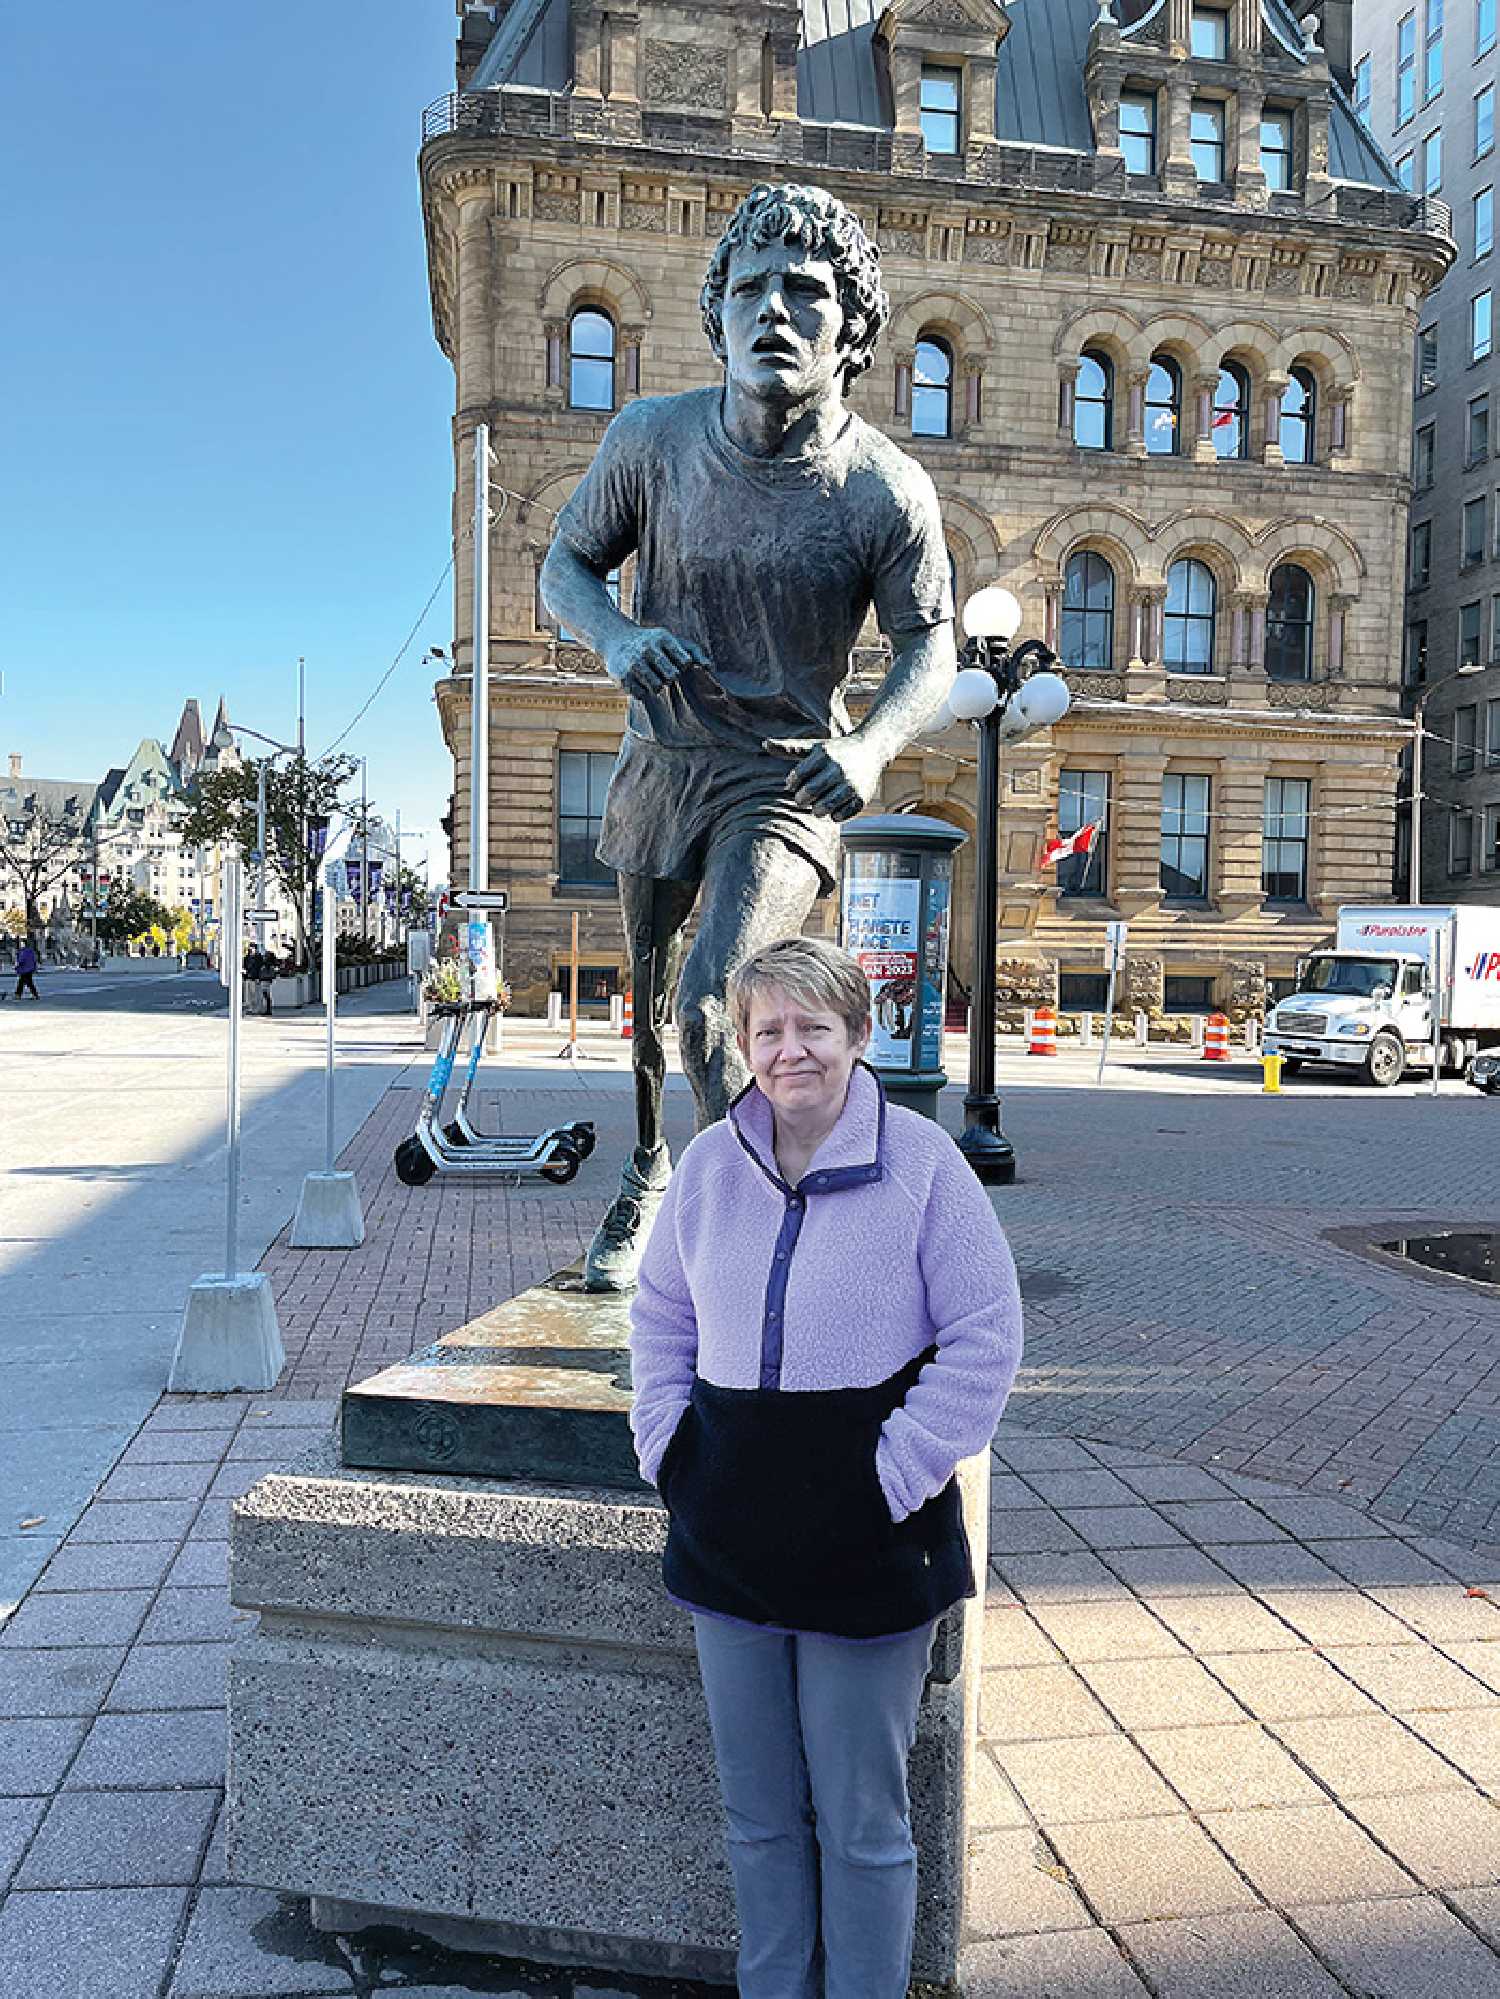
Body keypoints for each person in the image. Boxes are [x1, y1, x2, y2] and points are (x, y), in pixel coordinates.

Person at [541, 183, 955, 1291]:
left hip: (781, 781)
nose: (776, 311)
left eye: (807, 294)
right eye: (751, 289)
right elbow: (564, 566)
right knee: (645, 993)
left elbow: (935, 646)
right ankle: (646, 1172)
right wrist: (621, 639)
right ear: (716, 314)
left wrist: (867, 749)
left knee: (712, 1002)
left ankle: (767, 1237)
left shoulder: (885, 488)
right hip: (662, 756)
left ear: (851, 332)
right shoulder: (653, 440)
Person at [629, 937, 1023, 1999]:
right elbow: (660, 1311)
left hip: (870, 1543)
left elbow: (987, 1333)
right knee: (757, 1816)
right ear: (745, 1045)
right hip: (729, 1539)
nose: (790, 1049)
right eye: (769, 1029)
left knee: (861, 1822)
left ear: (858, 1034)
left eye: (814, 1026)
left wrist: (892, 1471)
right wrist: (671, 1446)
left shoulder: (924, 1166)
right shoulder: (709, 1165)